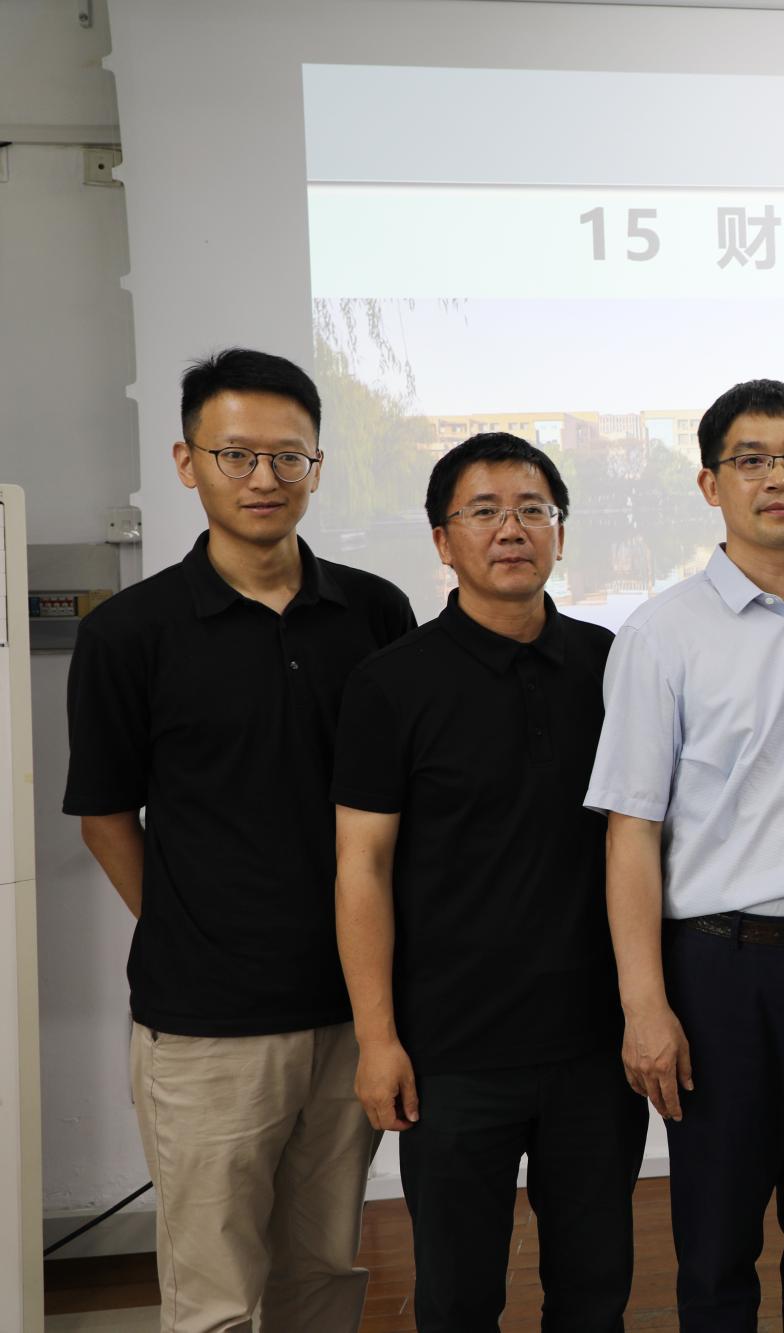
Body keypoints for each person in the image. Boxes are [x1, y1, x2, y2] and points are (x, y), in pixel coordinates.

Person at [63, 348, 415, 1332]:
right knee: (216, 1296)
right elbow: (104, 816)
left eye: (288, 456)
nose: (264, 477)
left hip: (350, 1012)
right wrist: (194, 925)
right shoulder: (128, 632)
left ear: (316, 466)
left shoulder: (375, 613)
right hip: (205, 1026)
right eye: (236, 454)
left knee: (324, 1270)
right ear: (188, 463)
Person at [586, 379, 784, 1331]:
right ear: (710, 484)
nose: (779, 477)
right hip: (720, 974)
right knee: (718, 1247)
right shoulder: (660, 636)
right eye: (751, 460)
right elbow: (631, 831)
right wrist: (645, 1005)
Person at [330, 433, 647, 1329]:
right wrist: (377, 1040)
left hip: (595, 1046)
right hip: (453, 1053)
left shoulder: (613, 665)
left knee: (595, 1291)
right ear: (443, 539)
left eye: (533, 510)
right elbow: (362, 867)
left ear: (560, 532)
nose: (512, 529)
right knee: (459, 1297)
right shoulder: (391, 683)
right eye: (483, 511)